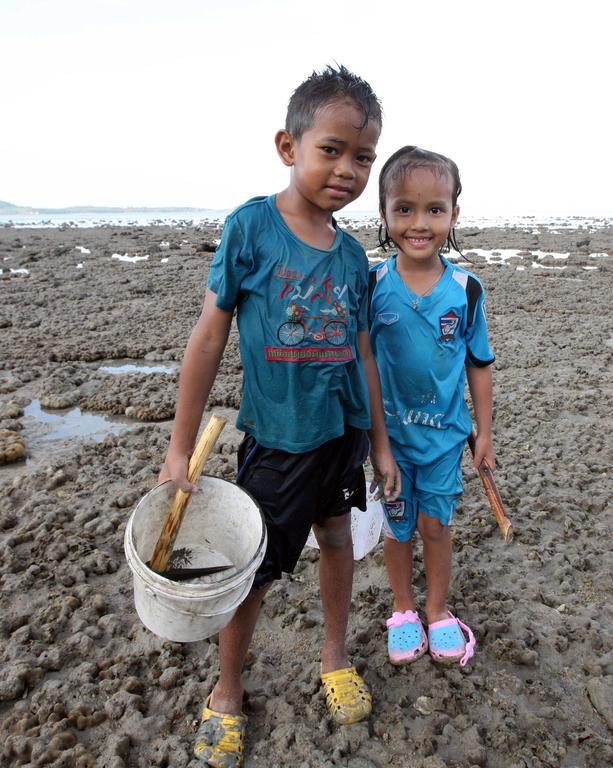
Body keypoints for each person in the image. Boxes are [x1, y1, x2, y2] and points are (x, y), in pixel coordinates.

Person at [159, 65, 400, 767]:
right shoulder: (251, 226)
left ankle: (332, 657)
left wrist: (379, 447)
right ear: (287, 145)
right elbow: (208, 336)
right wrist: (180, 447)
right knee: (251, 570)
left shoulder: (355, 257)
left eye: (362, 157)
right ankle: (226, 689)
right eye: (331, 149)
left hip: (342, 438)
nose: (347, 169)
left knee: (336, 541)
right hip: (275, 442)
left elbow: (363, 355)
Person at [369, 146, 495, 668]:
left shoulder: (465, 291)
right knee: (398, 528)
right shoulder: (372, 285)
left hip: (444, 441)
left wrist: (484, 432)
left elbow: (479, 365)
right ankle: (403, 610)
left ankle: (438, 610)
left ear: (454, 214)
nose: (419, 223)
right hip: (389, 444)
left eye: (434, 210)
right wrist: (376, 444)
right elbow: (364, 363)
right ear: (384, 214)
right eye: (404, 209)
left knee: (436, 527)